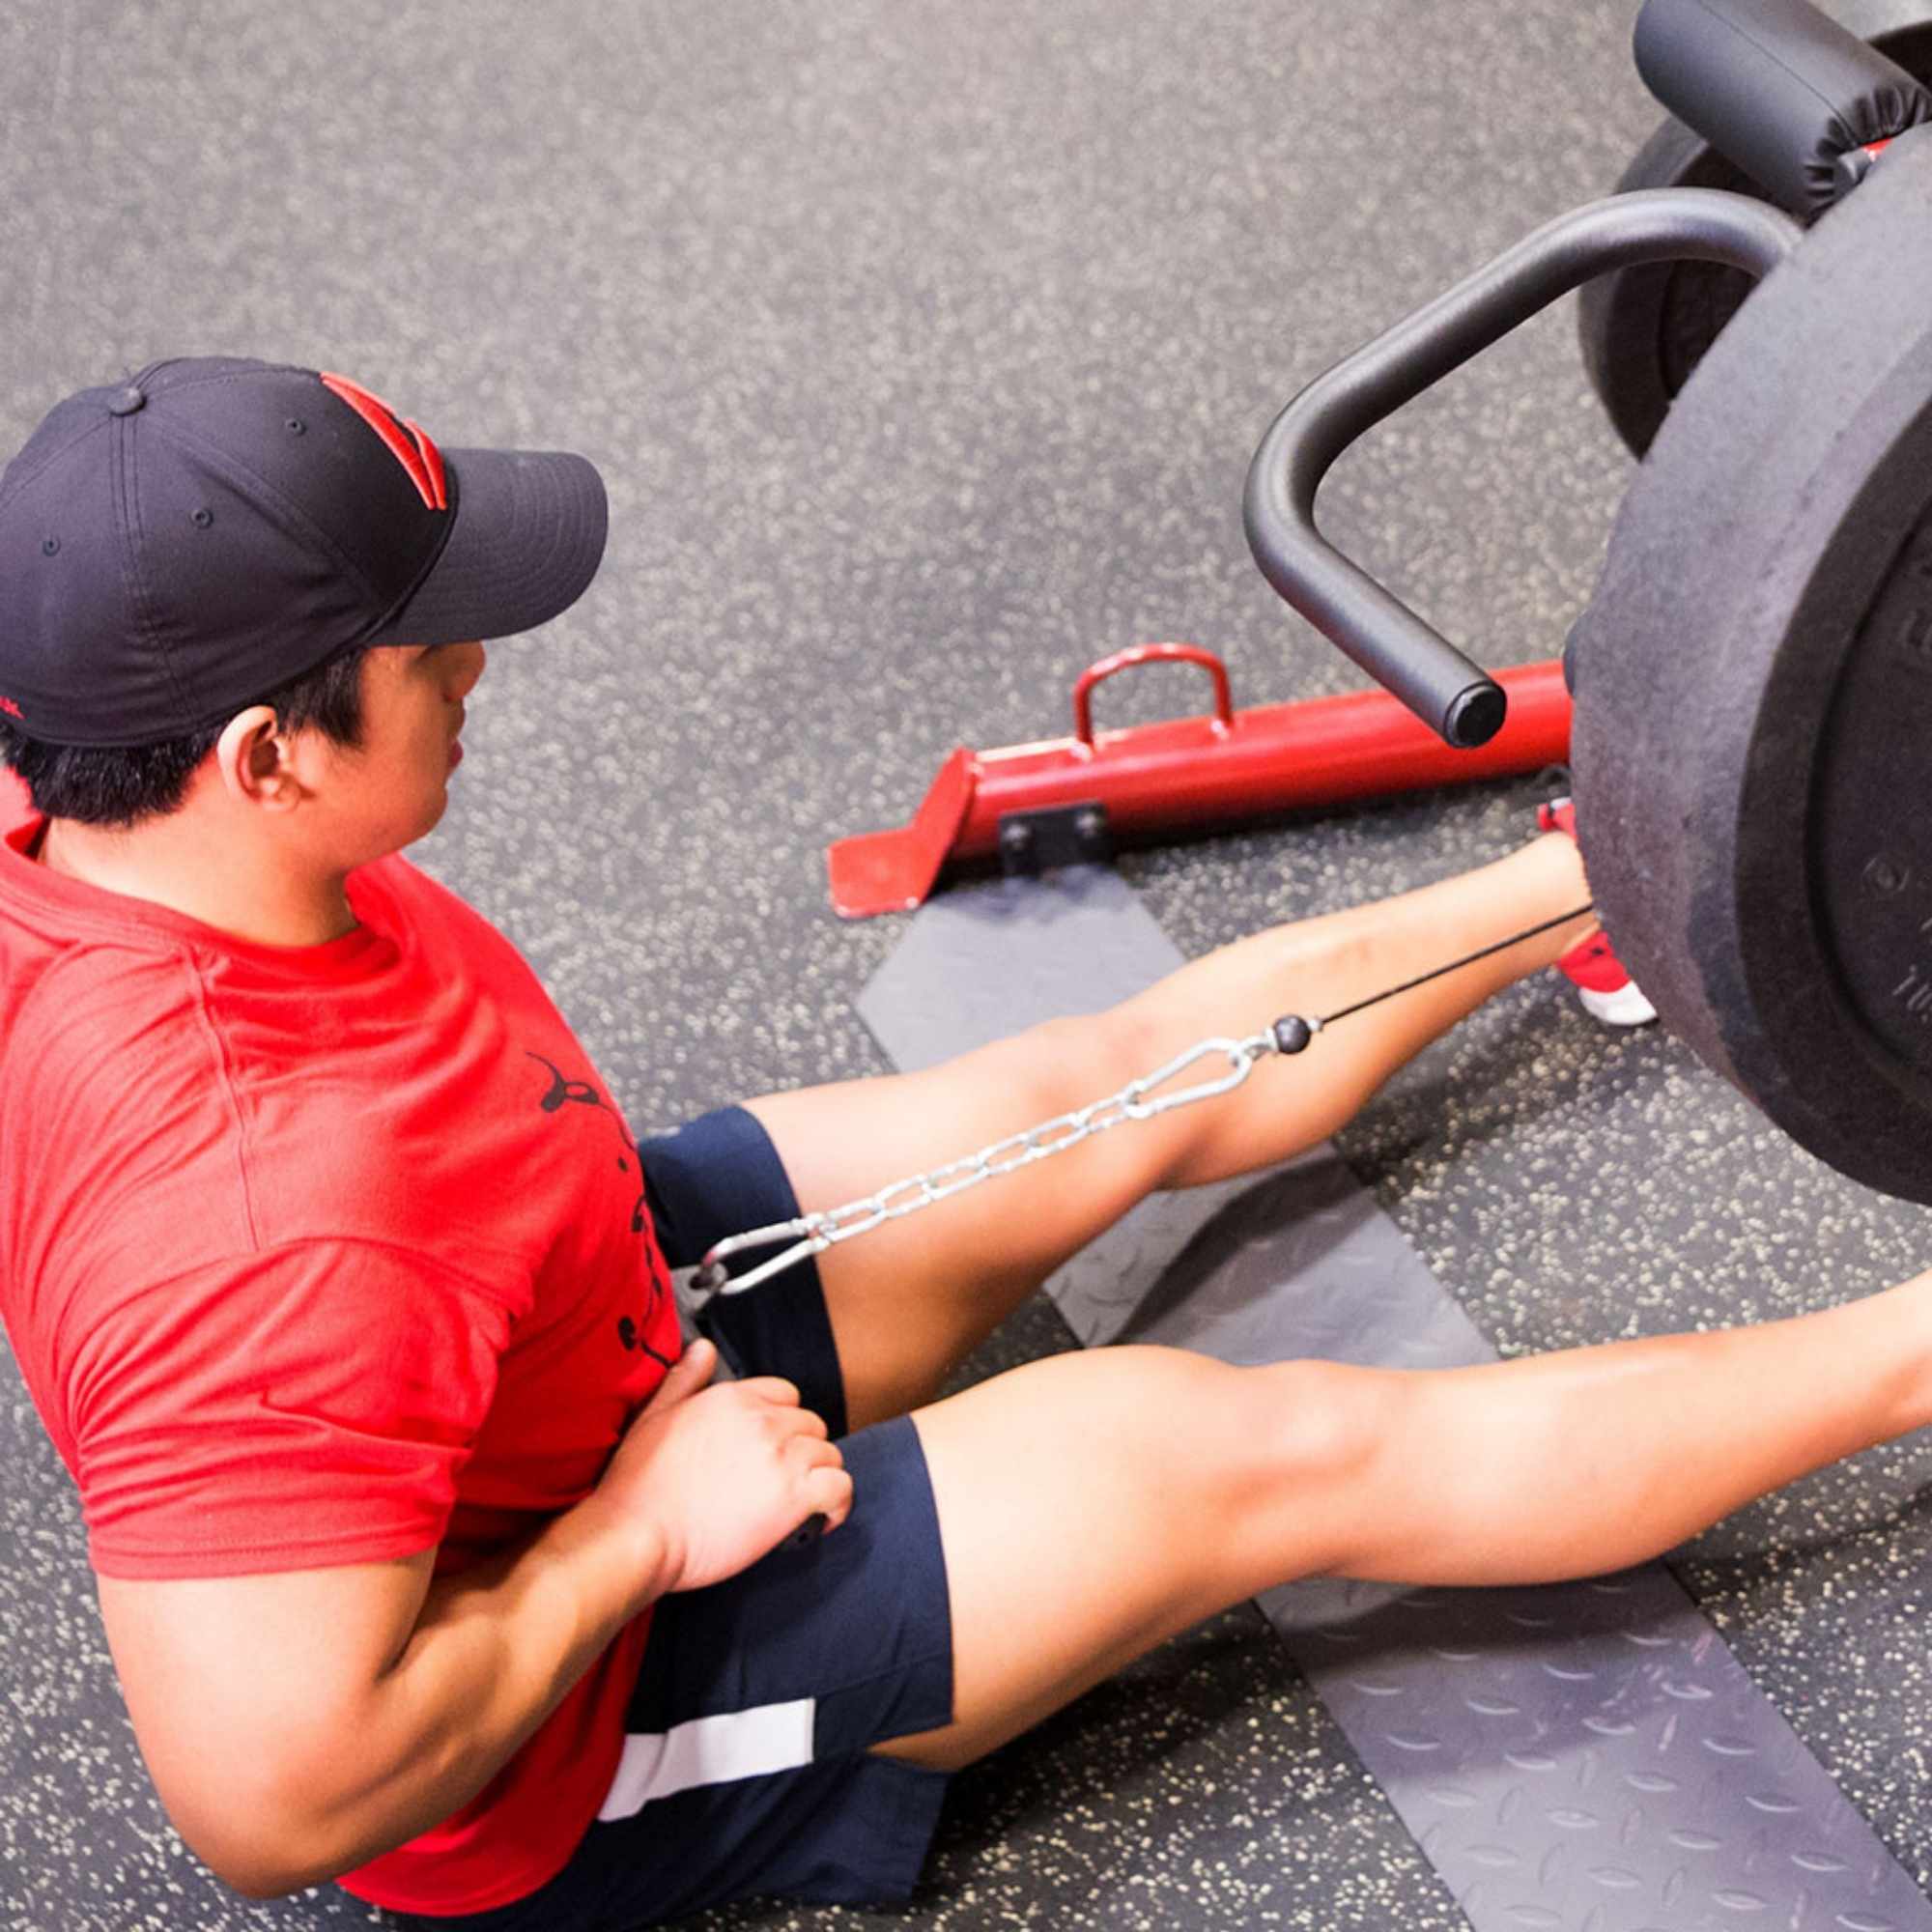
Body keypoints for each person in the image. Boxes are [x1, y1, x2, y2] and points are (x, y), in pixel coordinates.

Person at [0, 357, 1924, 1931]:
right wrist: (633, 1540)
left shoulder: (84, 793)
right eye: (435, 657)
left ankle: (1597, 878)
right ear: (265, 756)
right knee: (1259, 1445)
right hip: (573, 1701)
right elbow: (277, 1800)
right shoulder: (263, 1240)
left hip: (530, 1279)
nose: (483, 667)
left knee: (1088, 1082)